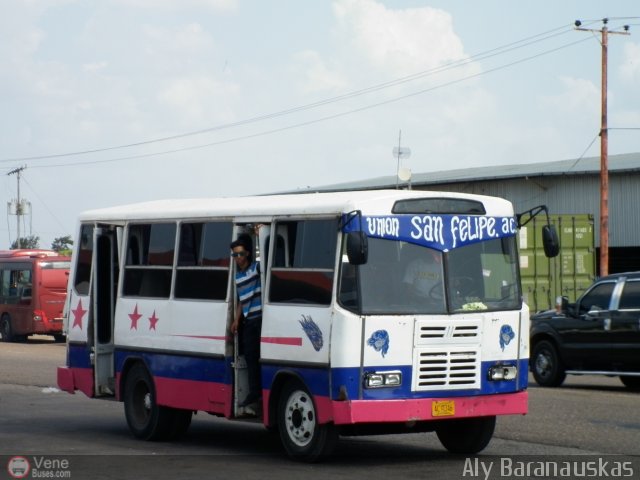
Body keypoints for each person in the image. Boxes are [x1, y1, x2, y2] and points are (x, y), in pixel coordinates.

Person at [230, 232, 262, 411]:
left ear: (248, 254)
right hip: (249, 320)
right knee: (250, 357)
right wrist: (236, 320)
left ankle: (257, 392)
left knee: (258, 356)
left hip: (261, 319)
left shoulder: (255, 269)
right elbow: (242, 300)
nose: (237, 258)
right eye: (235, 255)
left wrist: (259, 235)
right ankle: (253, 392)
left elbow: (266, 257)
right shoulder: (238, 276)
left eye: (240, 254)